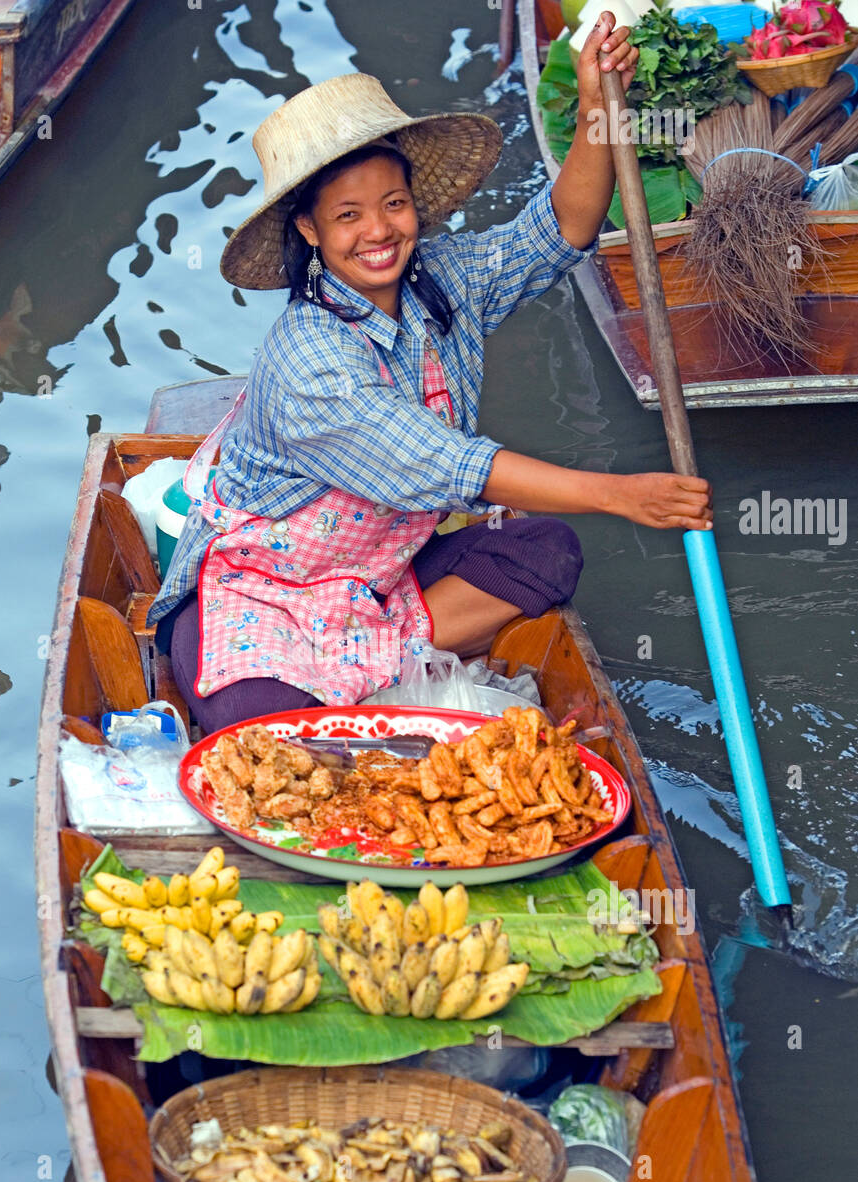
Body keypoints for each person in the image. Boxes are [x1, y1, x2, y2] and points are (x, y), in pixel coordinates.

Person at [150, 17, 713, 734]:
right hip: (267, 594)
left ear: (414, 203)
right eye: (347, 216)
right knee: (260, 725)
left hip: (378, 578)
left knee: (546, 552)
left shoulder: (443, 277)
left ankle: (366, 663)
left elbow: (563, 228)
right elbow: (445, 464)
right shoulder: (308, 359)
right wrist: (620, 495)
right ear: (310, 231)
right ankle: (367, 672)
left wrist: (598, 116)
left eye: (392, 204)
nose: (378, 232)